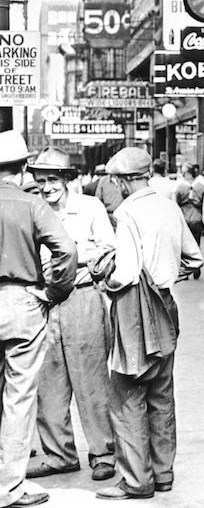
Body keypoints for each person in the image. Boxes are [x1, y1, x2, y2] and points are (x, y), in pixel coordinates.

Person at [91, 147, 202, 500]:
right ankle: (163, 472)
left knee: (126, 394)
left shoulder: (128, 213)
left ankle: (136, 480)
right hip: (167, 304)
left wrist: (104, 280)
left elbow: (124, 273)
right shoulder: (169, 206)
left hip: (135, 311)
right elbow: (194, 256)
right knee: (161, 392)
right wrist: (167, 274)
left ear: (125, 180)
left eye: (117, 180)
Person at [24, 148, 117, 485]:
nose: (47, 187)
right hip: (45, 304)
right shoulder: (33, 211)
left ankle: (103, 453)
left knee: (90, 379)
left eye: (52, 179)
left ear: (66, 178)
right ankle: (58, 455)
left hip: (83, 298)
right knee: (48, 382)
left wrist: (72, 261)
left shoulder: (89, 207)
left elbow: (109, 250)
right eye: (40, 181)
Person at [0, 130, 77, 508]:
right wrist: (53, 292)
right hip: (21, 302)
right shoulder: (32, 204)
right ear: (23, 168)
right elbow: (66, 249)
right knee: (18, 398)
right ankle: (8, 489)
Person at [175, 164, 204, 280]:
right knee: (196, 243)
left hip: (184, 217)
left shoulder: (180, 187)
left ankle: (185, 269)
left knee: (183, 244)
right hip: (197, 217)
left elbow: (175, 203)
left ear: (186, 173)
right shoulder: (201, 186)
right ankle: (196, 267)